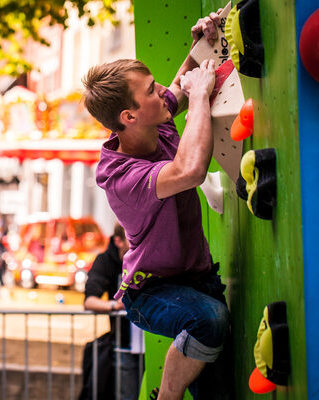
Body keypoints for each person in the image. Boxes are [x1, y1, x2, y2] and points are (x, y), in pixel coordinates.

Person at [82, 9, 232, 400]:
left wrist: (206, 39)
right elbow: (190, 170)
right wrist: (200, 95)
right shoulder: (120, 176)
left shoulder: (154, 118)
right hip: (150, 293)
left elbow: (182, 83)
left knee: (217, 388)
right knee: (210, 319)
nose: (161, 92)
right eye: (149, 91)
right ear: (129, 116)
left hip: (197, 278)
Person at [81, 224, 144, 400]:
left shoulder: (146, 255)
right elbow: (89, 301)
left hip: (157, 342)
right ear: (118, 241)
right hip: (125, 346)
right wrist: (115, 306)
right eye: (131, 237)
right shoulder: (106, 261)